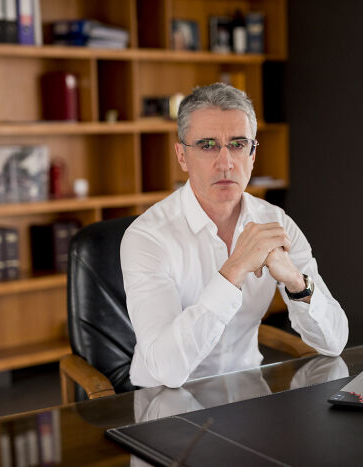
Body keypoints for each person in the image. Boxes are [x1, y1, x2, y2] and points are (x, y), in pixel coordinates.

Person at [120, 83, 349, 388]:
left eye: (238, 144)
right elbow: (167, 370)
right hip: (162, 404)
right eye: (207, 145)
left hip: (249, 395)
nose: (226, 163)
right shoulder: (148, 237)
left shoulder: (275, 222)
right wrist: (233, 271)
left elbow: (335, 342)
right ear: (182, 156)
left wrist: (295, 281)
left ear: (253, 154)